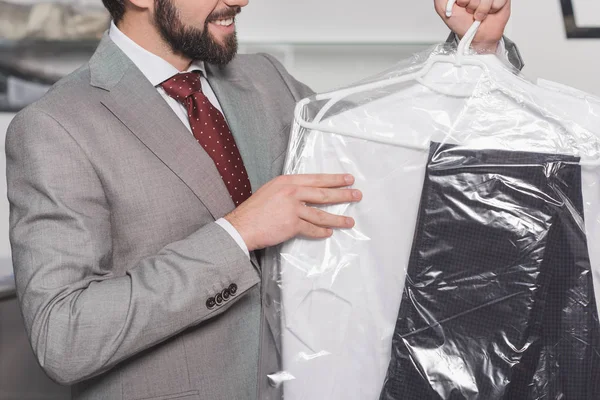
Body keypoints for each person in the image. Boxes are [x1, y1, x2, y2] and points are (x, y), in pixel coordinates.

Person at [6, 0, 522, 399]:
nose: (242, 0)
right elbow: (64, 336)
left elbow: (382, 151)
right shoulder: (55, 127)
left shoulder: (266, 79)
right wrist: (238, 234)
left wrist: (475, 50)